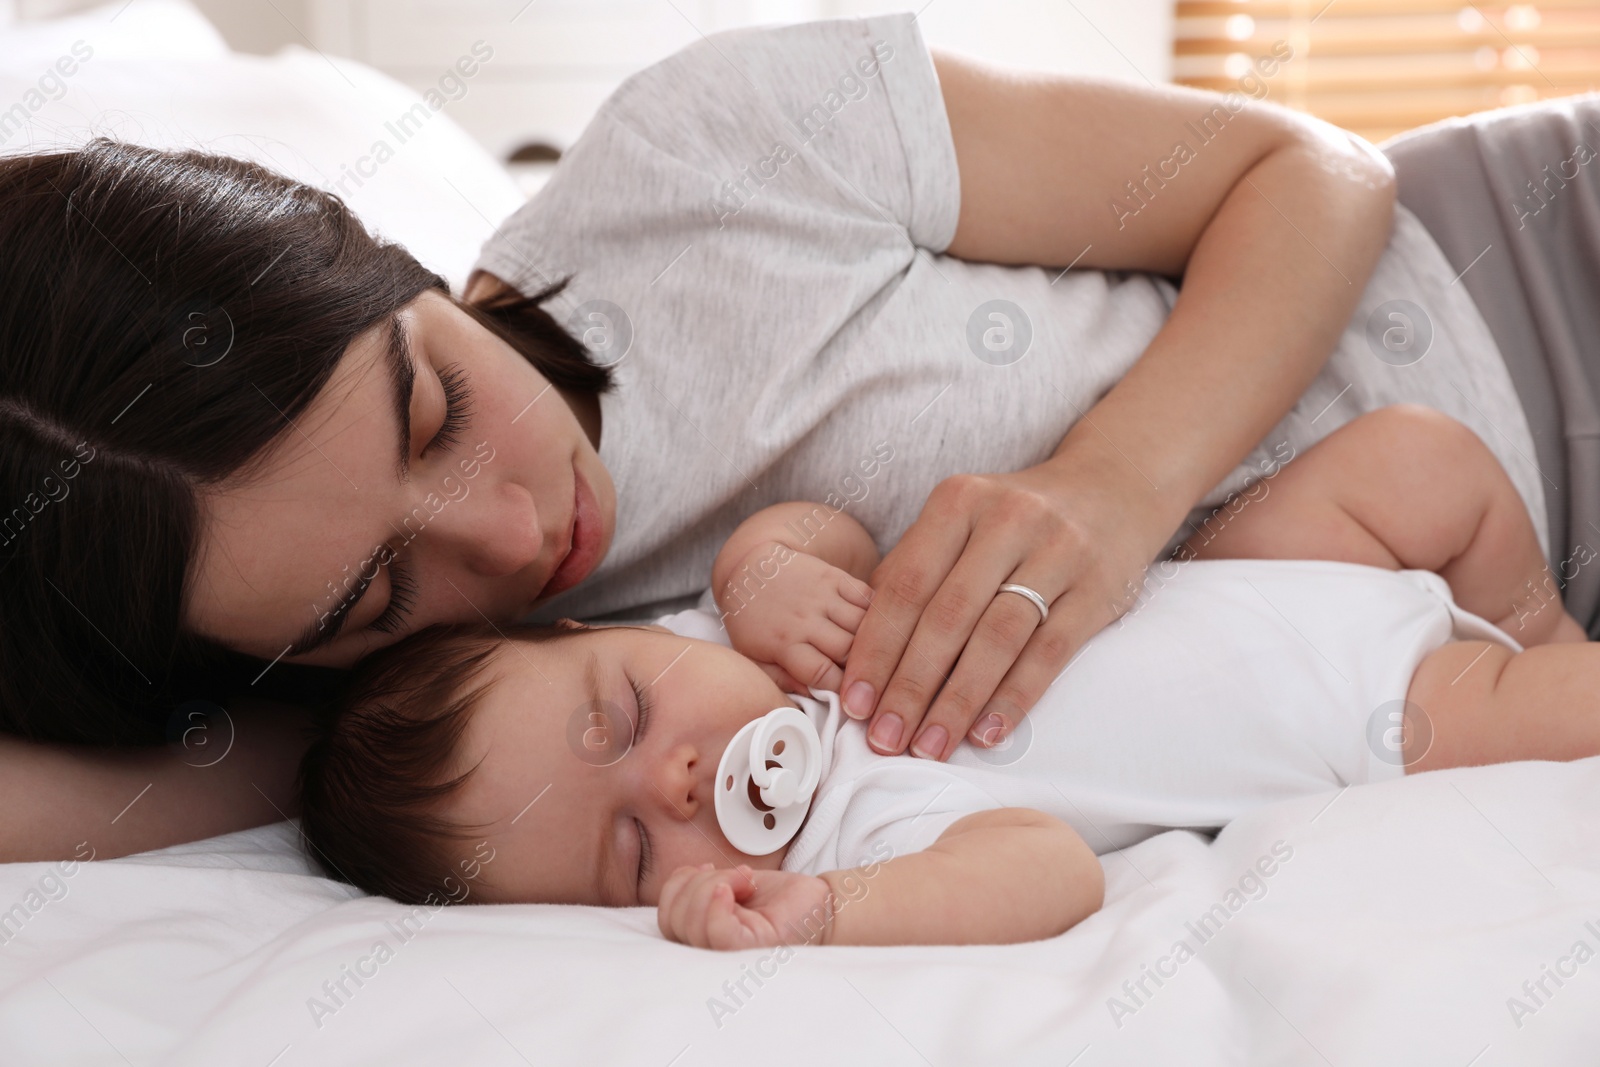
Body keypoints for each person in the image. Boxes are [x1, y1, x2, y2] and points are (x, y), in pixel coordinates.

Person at [1, 13, 1592, 865]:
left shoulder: (705, 154)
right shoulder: (508, 725)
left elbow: (1311, 173)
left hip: (1530, 274)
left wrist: (1114, 488)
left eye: (431, 401)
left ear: (371, 249)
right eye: (377, 592)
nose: (506, 533)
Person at [297, 405, 1594, 949]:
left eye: (624, 721)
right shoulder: (848, 838)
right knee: (1551, 715)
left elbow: (831, 536)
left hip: (1246, 572)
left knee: (1417, 455)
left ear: (593, 637)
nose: (678, 776)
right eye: (633, 854)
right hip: (1360, 719)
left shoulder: (726, 640)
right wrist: (831, 915)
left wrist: (763, 569)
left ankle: (1537, 634)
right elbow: (1047, 869)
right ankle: (1534, 678)